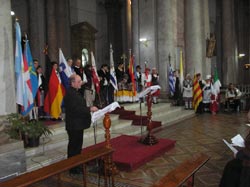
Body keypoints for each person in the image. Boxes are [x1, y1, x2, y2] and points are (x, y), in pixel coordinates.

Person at [64, 74, 98, 175]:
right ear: (72, 83)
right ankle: (73, 168)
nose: (80, 83)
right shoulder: (71, 94)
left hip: (78, 124)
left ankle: (76, 165)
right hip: (74, 125)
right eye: (78, 82)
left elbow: (79, 106)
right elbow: (76, 109)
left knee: (77, 147)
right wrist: (89, 109)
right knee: (74, 147)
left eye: (80, 81)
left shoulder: (75, 92)